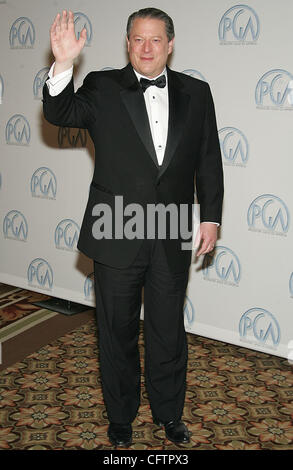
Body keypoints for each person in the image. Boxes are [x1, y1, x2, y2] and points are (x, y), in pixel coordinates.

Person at [42, 7, 224, 447]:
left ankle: (169, 414)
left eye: (155, 40)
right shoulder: (103, 86)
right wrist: (63, 63)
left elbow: (208, 159)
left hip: (172, 228)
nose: (146, 48)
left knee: (167, 329)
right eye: (138, 39)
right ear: (127, 44)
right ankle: (120, 417)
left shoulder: (197, 93)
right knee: (116, 330)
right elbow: (60, 111)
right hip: (115, 228)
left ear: (170, 44)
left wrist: (211, 217)